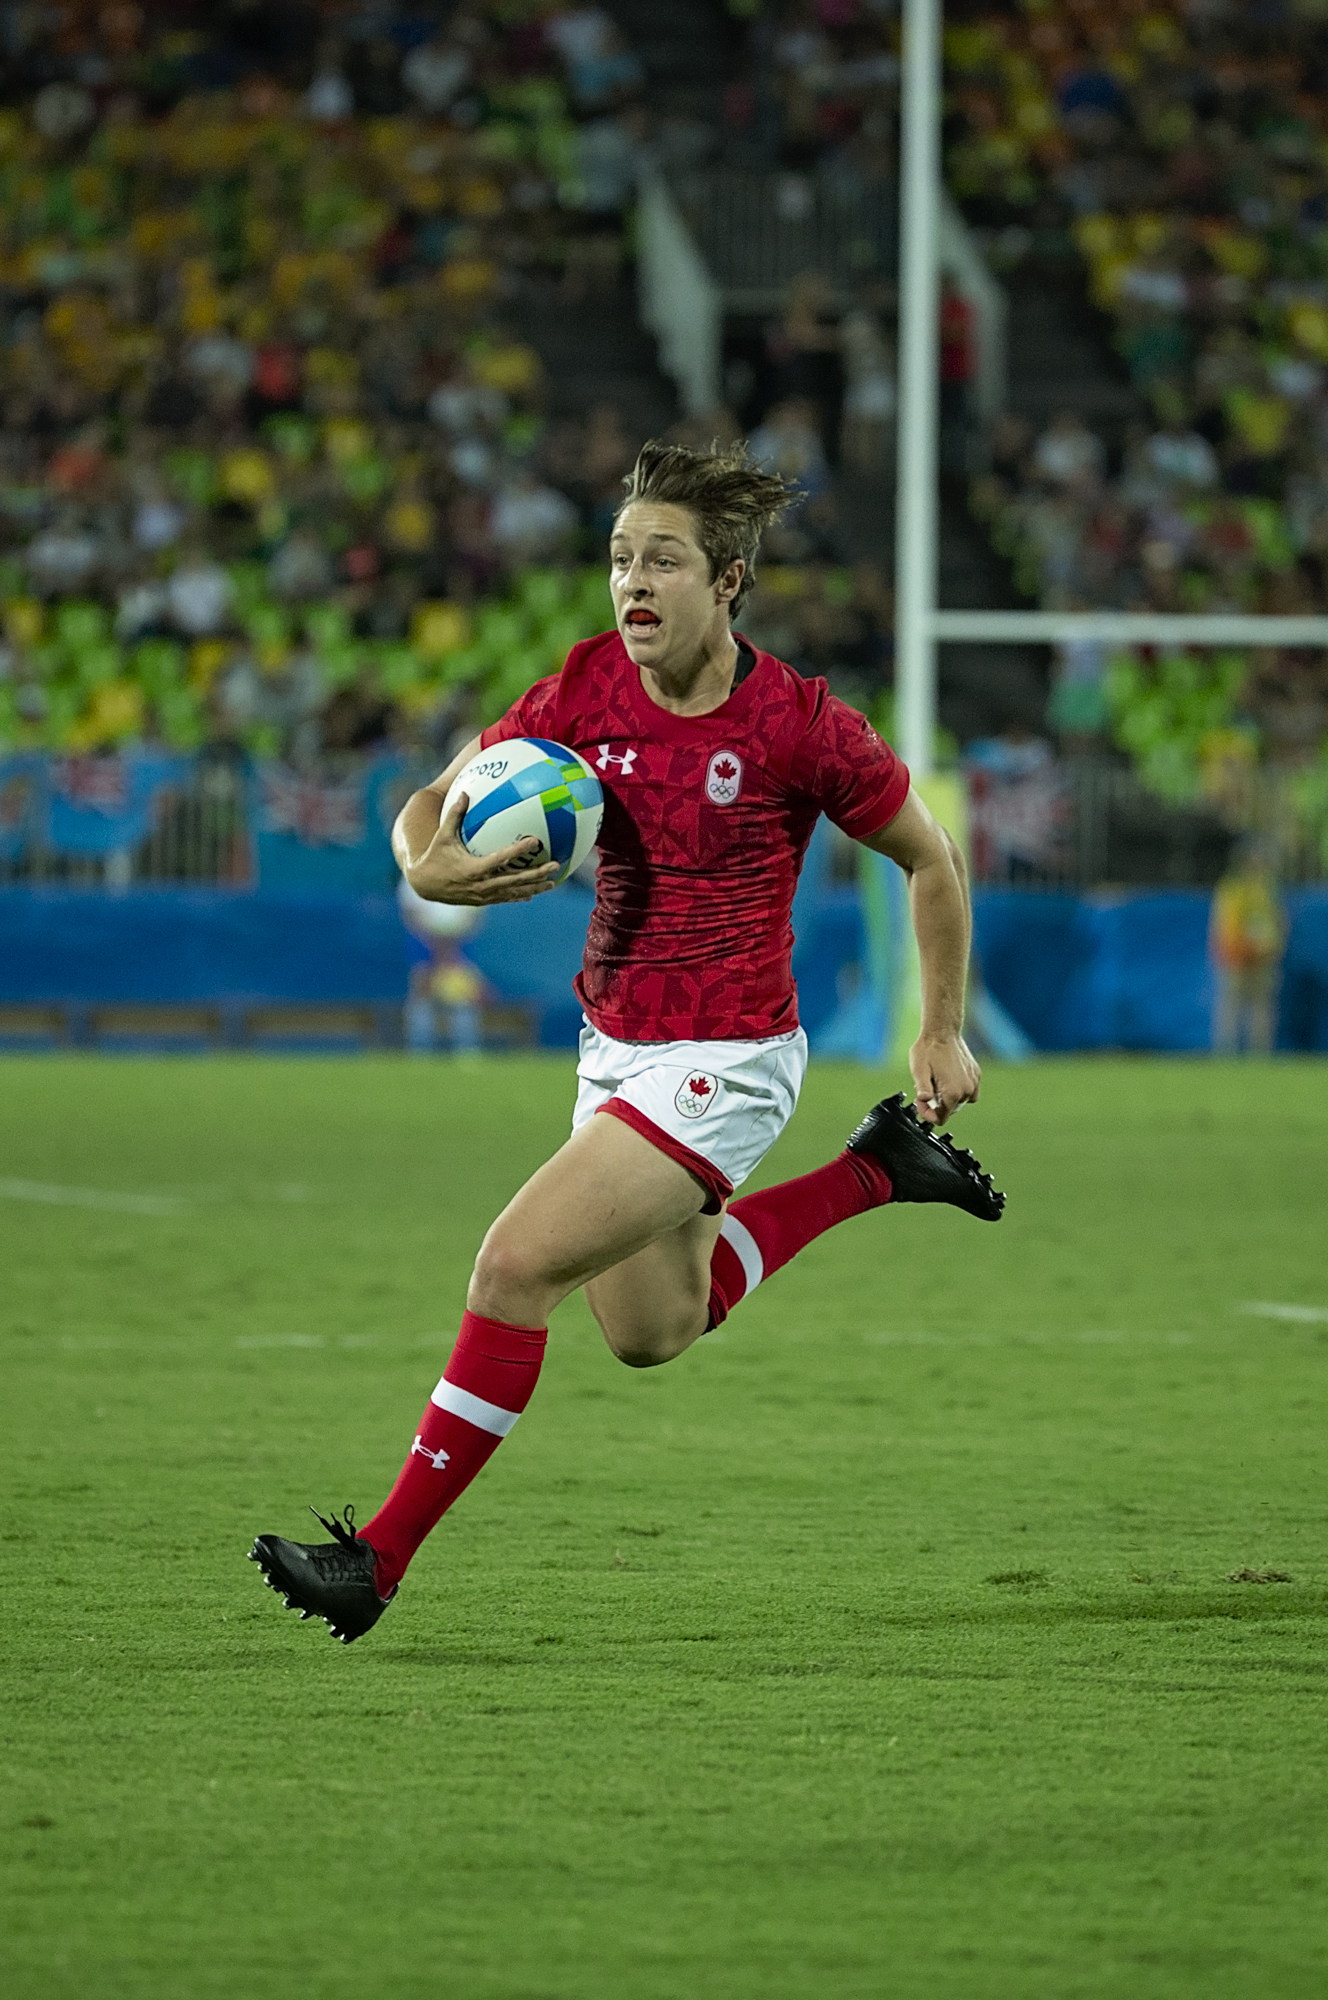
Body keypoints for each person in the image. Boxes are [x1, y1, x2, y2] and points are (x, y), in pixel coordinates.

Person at [250, 440, 1006, 1644]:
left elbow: (931, 856)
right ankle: (876, 1169)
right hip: (615, 1046)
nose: (632, 583)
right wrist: (427, 860)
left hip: (726, 1059)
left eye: (662, 560)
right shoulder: (576, 694)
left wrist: (943, 1025)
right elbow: (427, 807)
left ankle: (375, 1561)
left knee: (511, 1268)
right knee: (652, 1331)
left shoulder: (798, 724)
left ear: (729, 581)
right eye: (618, 558)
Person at [1209, 842, 1286, 1055]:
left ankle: (1260, 1052)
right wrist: (1232, 948)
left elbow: (1278, 921)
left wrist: (1272, 947)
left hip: (1263, 956)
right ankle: (1226, 1051)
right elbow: (1222, 922)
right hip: (1236, 955)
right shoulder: (1233, 887)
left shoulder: (1270, 888)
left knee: (1262, 1006)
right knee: (1231, 1004)